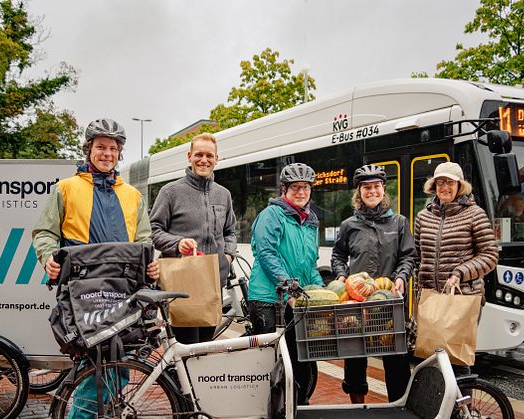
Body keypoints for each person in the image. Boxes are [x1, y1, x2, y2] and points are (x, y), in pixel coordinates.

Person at [32, 117, 158, 419]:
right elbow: (45, 232)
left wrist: (151, 265)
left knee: (121, 367)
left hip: (124, 292)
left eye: (113, 149)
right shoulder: (66, 189)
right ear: (89, 150)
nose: (107, 154)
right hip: (84, 293)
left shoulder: (133, 196)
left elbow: (143, 240)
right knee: (93, 371)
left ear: (119, 154)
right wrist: (49, 256)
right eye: (101, 147)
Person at [331, 164, 417, 403]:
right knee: (355, 356)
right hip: (357, 302)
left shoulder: (399, 222)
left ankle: (398, 407)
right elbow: (338, 255)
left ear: (383, 189)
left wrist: (401, 277)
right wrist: (341, 275)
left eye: (376, 186)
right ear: (359, 192)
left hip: (390, 302)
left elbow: (408, 255)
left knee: (395, 359)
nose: (372, 191)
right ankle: (358, 407)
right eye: (366, 187)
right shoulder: (350, 225)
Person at [150, 132, 237, 344]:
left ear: (217, 159)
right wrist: (177, 243)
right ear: (189, 156)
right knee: (186, 348)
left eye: (209, 155)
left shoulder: (223, 194)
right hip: (181, 282)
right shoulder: (170, 192)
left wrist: (228, 256)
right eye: (199, 154)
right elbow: (154, 230)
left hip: (212, 281)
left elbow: (231, 231)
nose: (204, 160)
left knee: (204, 346)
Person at [247, 162, 323, 405]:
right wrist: (290, 287)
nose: (301, 192)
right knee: (272, 362)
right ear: (284, 189)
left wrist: (321, 290)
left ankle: (297, 405)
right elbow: (267, 254)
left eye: (306, 187)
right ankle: (266, 407)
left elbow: (310, 263)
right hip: (268, 299)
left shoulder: (311, 220)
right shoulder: (272, 215)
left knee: (301, 358)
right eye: (295, 187)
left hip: (294, 299)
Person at [413, 161, 498, 374]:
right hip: (431, 297)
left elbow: (490, 254)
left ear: (460, 186)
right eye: (440, 182)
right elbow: (416, 256)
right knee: (432, 359)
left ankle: (463, 407)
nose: (445, 187)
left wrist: (460, 272)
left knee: (458, 360)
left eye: (450, 183)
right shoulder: (423, 217)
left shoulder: (474, 214)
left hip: (463, 298)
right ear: (433, 186)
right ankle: (441, 406)